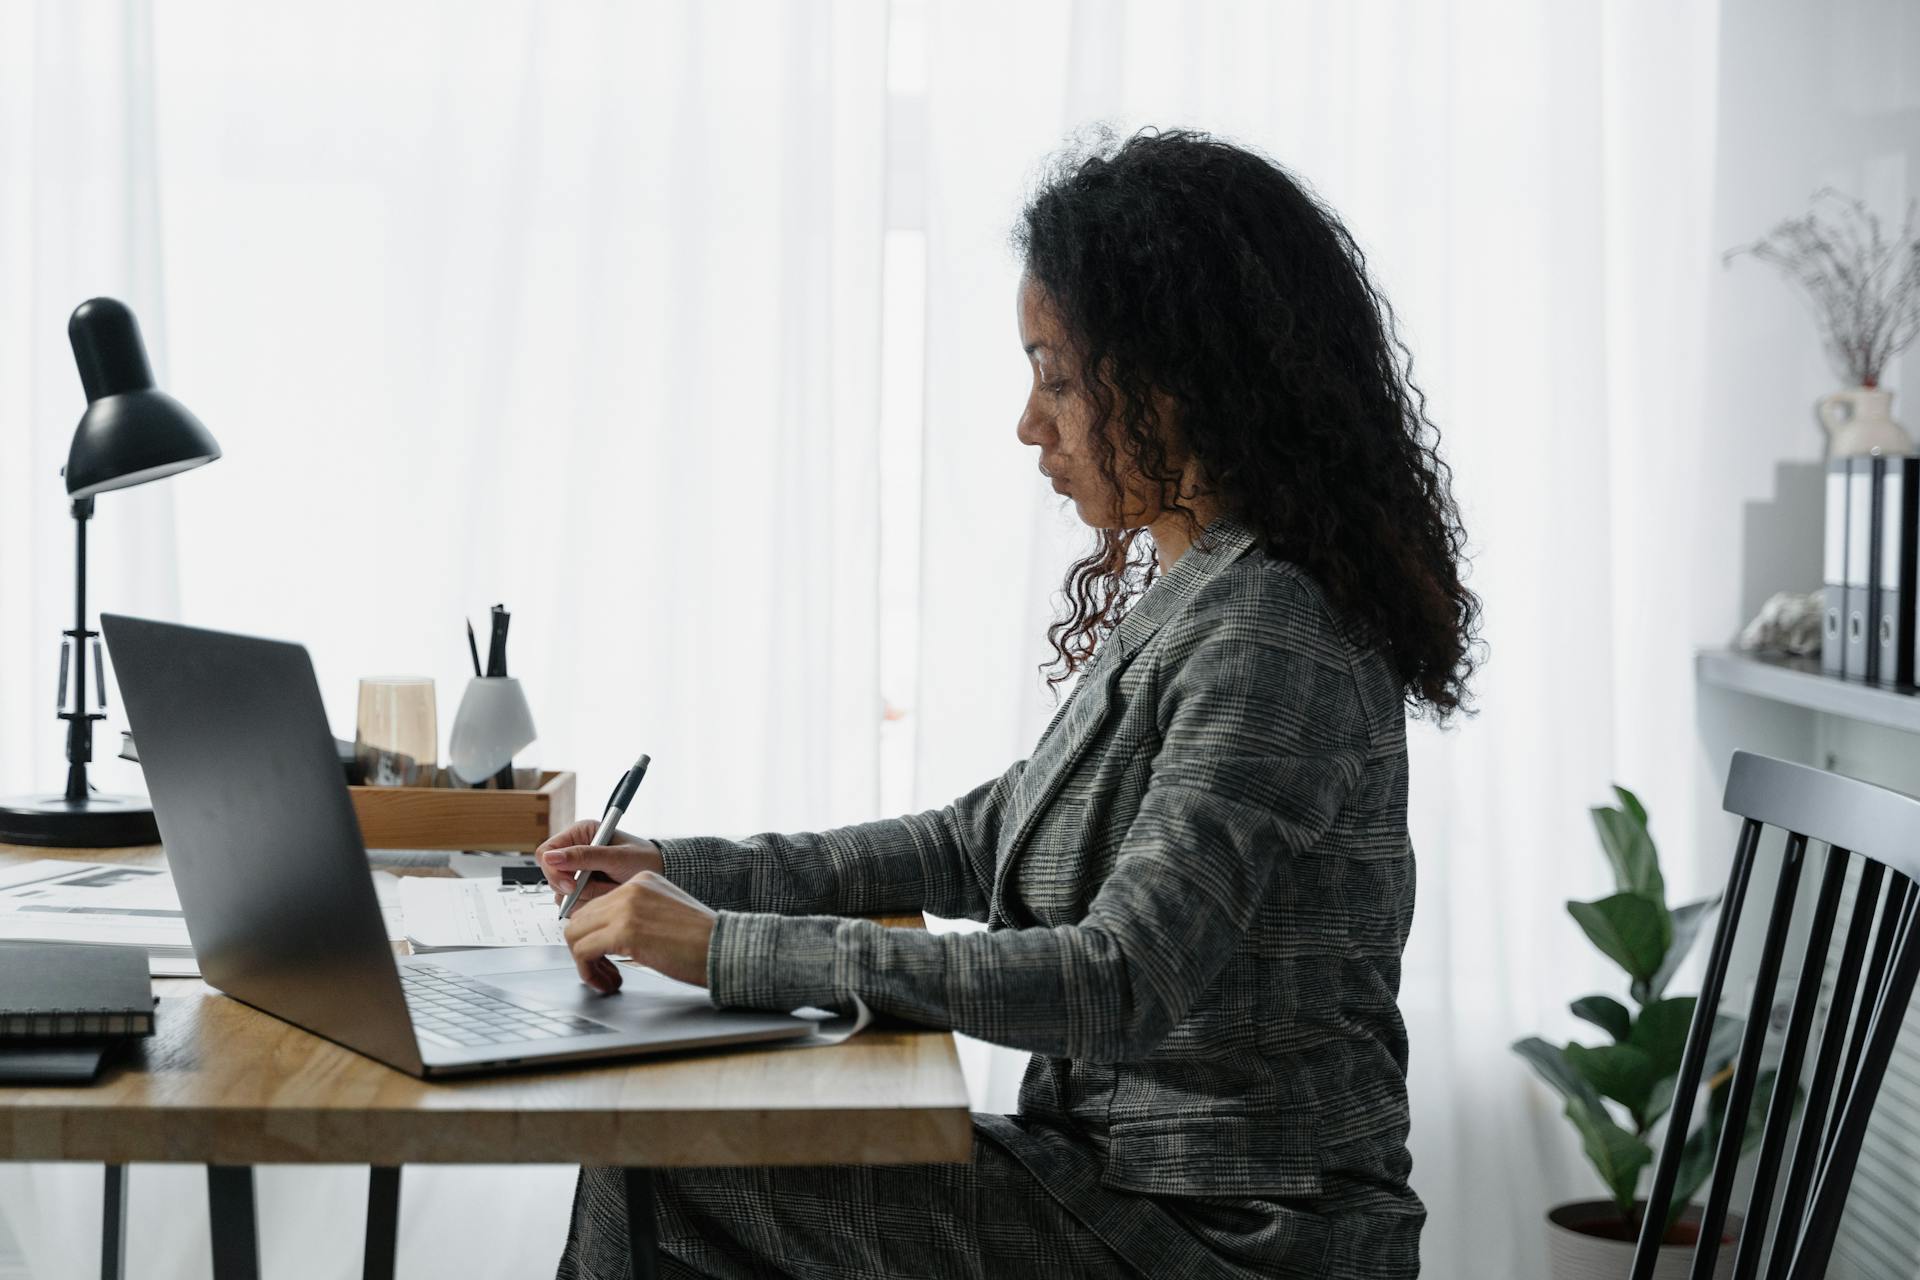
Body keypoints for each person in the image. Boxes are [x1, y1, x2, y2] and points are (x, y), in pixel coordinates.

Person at [540, 126, 1479, 1280]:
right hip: (1117, 1190)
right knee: (657, 1154)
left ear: (1180, 381)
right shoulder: (1208, 592)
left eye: (1059, 375)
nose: (1031, 421)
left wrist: (726, 947)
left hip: (1227, 1238)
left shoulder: (1273, 630)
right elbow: (978, 839)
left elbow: (1117, 977)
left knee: (653, 1160)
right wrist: (682, 870)